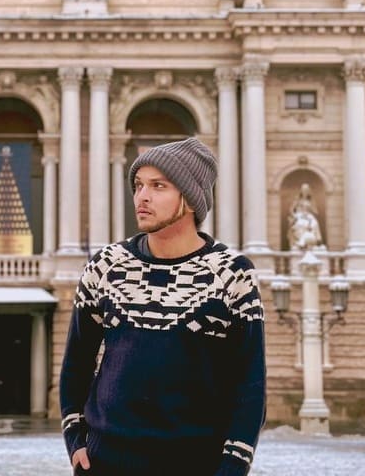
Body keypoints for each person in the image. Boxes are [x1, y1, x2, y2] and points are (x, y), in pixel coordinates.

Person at [60, 137, 266, 476]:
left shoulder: (232, 273)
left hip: (196, 463)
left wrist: (234, 463)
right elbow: (76, 364)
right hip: (106, 461)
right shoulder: (107, 265)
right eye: (139, 185)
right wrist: (75, 439)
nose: (142, 196)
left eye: (158, 186)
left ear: (189, 198)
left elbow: (250, 383)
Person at [287, 183, 324, 251]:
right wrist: (295, 215)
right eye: (304, 189)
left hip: (308, 215)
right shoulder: (297, 200)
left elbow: (316, 212)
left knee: (314, 223)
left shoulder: (311, 201)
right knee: (300, 223)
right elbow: (291, 210)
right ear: (301, 191)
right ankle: (301, 241)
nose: (305, 191)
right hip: (299, 215)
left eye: (306, 190)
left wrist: (311, 211)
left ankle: (315, 239)